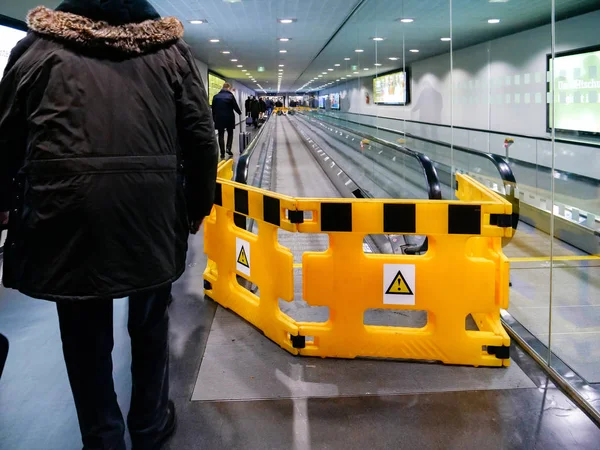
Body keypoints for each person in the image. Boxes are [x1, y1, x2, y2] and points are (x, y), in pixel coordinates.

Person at [0, 1, 218, 449]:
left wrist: (3, 202)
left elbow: (4, 137)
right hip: (153, 210)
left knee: (83, 331)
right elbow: (200, 136)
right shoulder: (170, 54)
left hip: (64, 211)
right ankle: (150, 422)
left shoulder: (37, 49)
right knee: (151, 319)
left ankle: (102, 437)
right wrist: (198, 204)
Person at [212, 82, 242, 158]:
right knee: (230, 133)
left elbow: (213, 109)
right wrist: (240, 112)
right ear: (228, 88)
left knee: (220, 134)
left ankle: (222, 152)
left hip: (219, 118)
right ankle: (228, 148)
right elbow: (235, 106)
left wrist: (213, 118)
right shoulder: (230, 96)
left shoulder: (215, 96)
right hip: (229, 117)